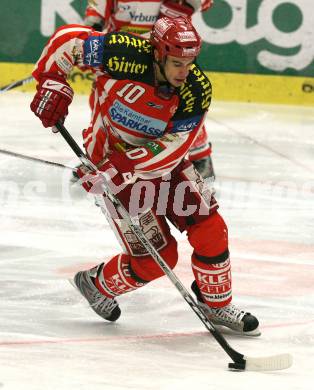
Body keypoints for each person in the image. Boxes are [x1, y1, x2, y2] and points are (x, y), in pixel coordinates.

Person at [30, 16, 260, 336]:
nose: (185, 71)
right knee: (156, 259)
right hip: (107, 163)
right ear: (158, 54)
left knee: (211, 229)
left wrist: (123, 166)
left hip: (160, 166)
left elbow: (175, 147)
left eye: (190, 62)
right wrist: (52, 81)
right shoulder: (124, 52)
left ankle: (216, 304)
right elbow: (67, 40)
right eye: (177, 63)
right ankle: (96, 283)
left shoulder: (196, 89)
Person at [83, 0, 215, 179]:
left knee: (182, 102)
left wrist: (185, 8)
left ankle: (200, 155)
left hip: (162, 51)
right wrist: (92, 28)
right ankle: (102, 156)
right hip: (124, 52)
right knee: (105, 96)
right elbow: (98, 8)